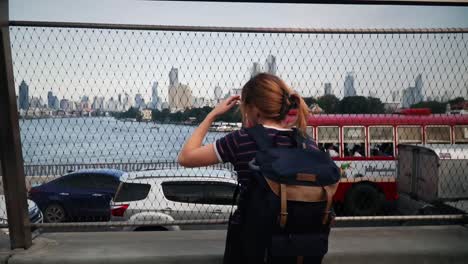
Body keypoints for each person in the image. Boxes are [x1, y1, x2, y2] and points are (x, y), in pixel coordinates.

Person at [178, 73, 330, 263]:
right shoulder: (306, 142)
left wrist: (212, 115)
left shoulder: (242, 139)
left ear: (254, 109)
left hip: (252, 248)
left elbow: (186, 157)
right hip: (299, 250)